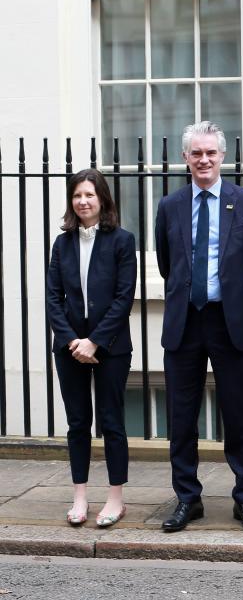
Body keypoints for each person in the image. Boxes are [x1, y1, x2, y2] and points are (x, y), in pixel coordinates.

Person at [155, 121, 243, 533]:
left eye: (211, 153)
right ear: (185, 158)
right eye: (196, 153)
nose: (204, 159)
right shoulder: (169, 206)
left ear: (222, 156)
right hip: (185, 323)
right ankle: (187, 499)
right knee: (182, 417)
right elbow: (166, 263)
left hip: (231, 322)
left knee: (240, 413)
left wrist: (242, 292)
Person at [46, 168, 136, 528]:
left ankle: (116, 498)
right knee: (78, 422)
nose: (83, 201)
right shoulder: (62, 243)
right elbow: (53, 298)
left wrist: (95, 340)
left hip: (110, 346)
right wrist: (72, 341)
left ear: (103, 200)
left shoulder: (122, 241)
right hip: (69, 347)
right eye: (77, 195)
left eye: (89, 195)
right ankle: (80, 496)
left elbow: (123, 296)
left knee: (112, 421)